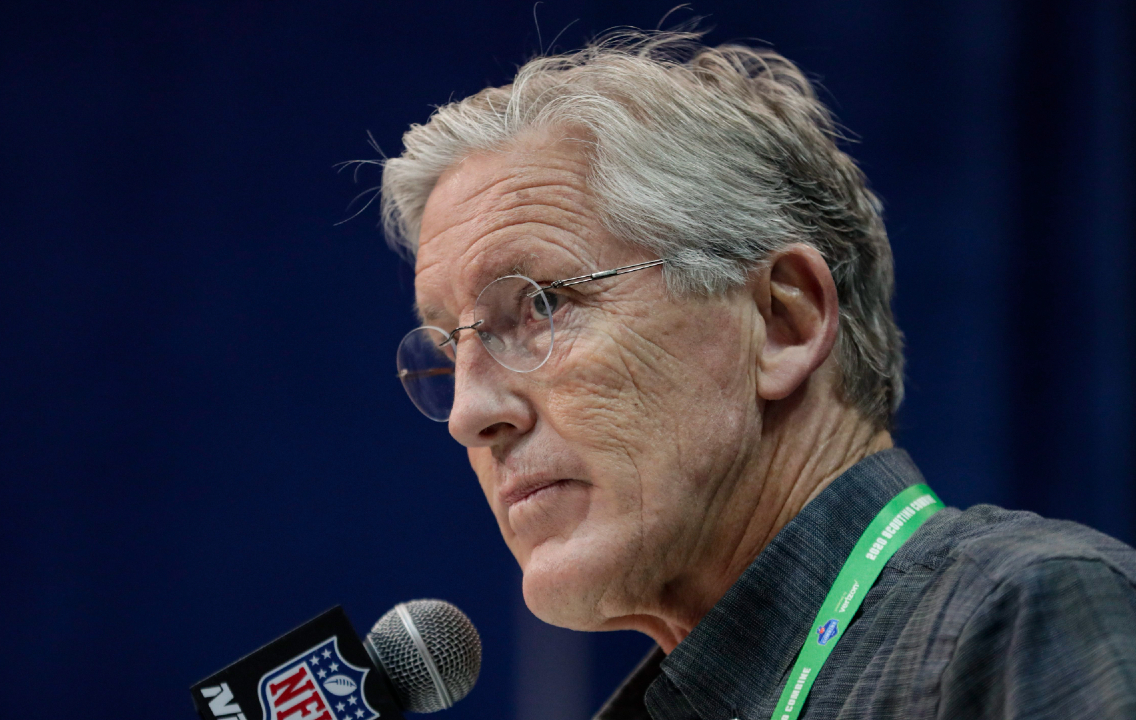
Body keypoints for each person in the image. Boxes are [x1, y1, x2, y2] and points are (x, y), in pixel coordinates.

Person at [377, 30, 1136, 720]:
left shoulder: (1024, 621)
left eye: (541, 306)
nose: (468, 413)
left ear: (782, 323)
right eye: (448, 345)